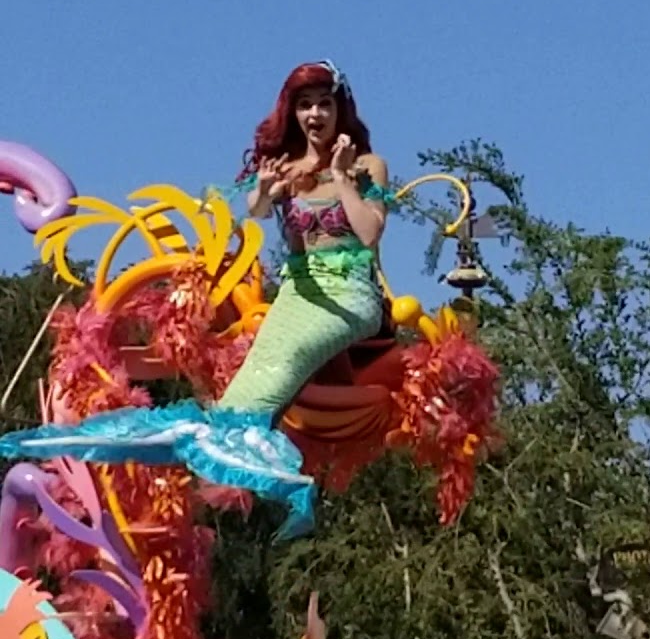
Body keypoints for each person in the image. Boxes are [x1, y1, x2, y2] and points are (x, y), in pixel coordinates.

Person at [0, 60, 393, 539]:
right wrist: (268, 193)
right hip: (298, 292)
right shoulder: (287, 170)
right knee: (239, 401)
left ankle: (291, 488)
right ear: (293, 113)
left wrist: (342, 178)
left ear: (340, 109)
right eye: (305, 105)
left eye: (324, 104)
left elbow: (370, 234)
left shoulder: (366, 166)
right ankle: (222, 466)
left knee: (268, 383)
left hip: (348, 298)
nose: (315, 114)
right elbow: (259, 211)